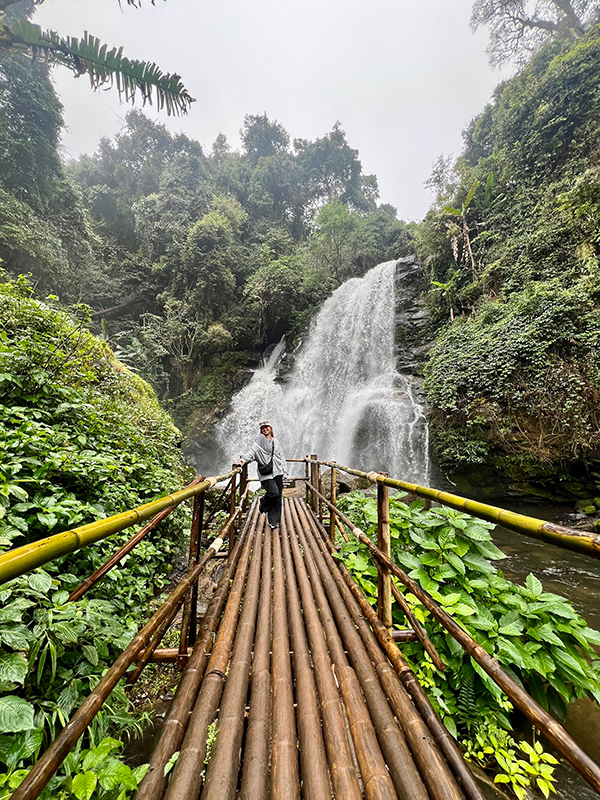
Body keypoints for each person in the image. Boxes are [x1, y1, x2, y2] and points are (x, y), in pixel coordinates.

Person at [236, 421, 286, 529]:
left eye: (267, 427)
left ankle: (274, 522)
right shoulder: (258, 444)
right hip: (266, 474)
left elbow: (281, 457)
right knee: (273, 493)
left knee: (278, 498)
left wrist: (285, 471)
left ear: (271, 428)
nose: (265, 429)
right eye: (263, 428)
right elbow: (251, 453)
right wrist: (242, 461)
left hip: (278, 472)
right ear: (261, 430)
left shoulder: (276, 442)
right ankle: (263, 503)